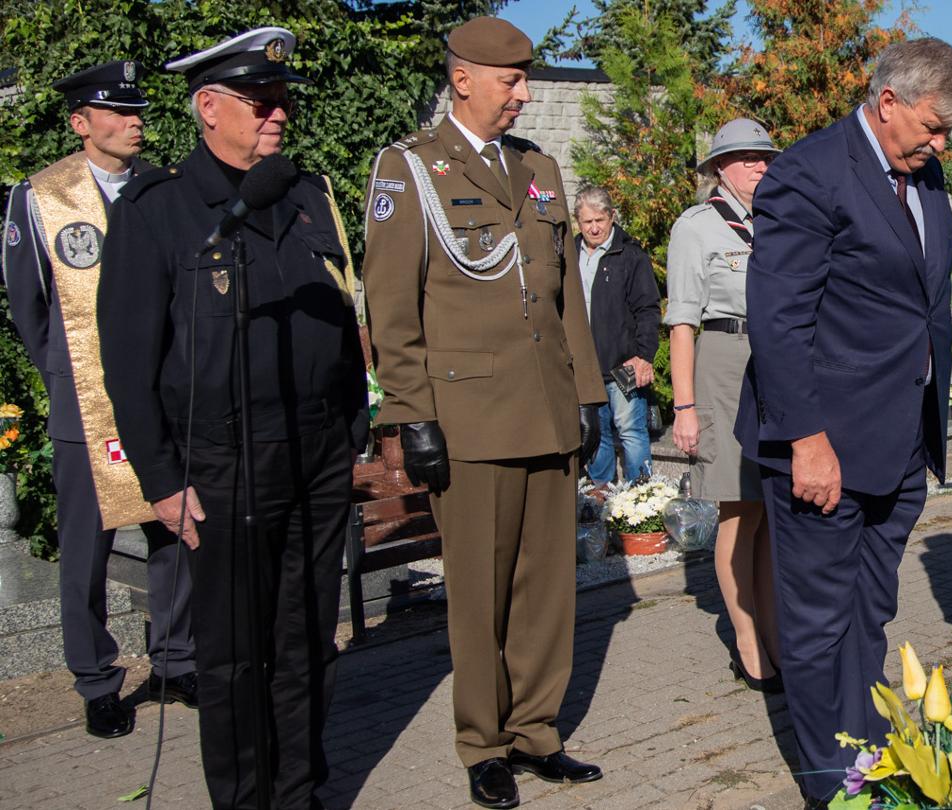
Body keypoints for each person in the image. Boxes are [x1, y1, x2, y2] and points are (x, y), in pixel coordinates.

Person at [95, 28, 366, 808]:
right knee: (237, 651)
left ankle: (300, 789)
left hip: (314, 451)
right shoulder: (162, 209)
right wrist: (162, 477)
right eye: (262, 100)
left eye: (284, 100)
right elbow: (129, 359)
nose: (279, 113)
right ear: (209, 108)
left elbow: (339, 316)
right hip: (224, 460)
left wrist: (349, 426)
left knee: (309, 637)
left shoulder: (305, 192)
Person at [362, 17, 605, 809]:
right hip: (468, 417)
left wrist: (588, 396)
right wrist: (411, 415)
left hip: (545, 408)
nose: (524, 93)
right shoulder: (411, 170)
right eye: (511, 80)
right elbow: (393, 308)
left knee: (547, 586)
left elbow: (565, 294)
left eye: (526, 78)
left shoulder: (539, 168)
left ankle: (538, 732)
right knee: (478, 591)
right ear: (463, 78)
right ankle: (484, 743)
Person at [735, 38, 952, 805]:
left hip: (900, 443)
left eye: (947, 134)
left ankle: (868, 759)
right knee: (815, 627)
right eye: (933, 128)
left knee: (868, 614)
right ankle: (833, 789)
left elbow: (919, 300)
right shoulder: (809, 176)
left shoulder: (924, 172)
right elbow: (778, 321)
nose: (941, 147)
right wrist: (806, 441)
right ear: (888, 103)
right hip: (824, 448)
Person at [2, 61, 197, 741]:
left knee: (174, 531)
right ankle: (97, 681)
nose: (135, 119)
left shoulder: (164, 189)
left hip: (165, 398)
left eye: (139, 109)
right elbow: (29, 309)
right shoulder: (40, 196)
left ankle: (177, 659)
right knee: (87, 549)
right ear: (81, 122)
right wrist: (72, 373)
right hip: (83, 401)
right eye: (117, 111)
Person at [665, 118, 783, 693]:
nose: (760, 166)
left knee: (767, 513)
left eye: (764, 157)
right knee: (739, 507)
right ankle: (745, 638)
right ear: (718, 167)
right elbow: (682, 323)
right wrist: (684, 406)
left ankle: (773, 629)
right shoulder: (697, 227)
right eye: (746, 158)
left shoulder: (778, 220)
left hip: (773, 362)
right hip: (722, 361)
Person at [575, 185, 659, 486]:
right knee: (596, 434)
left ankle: (642, 500)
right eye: (587, 222)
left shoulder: (630, 255)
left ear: (611, 217)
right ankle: (601, 501)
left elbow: (648, 309)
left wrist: (644, 356)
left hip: (624, 362)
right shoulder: (571, 255)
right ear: (578, 222)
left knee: (631, 431)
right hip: (585, 367)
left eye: (600, 219)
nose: (594, 228)